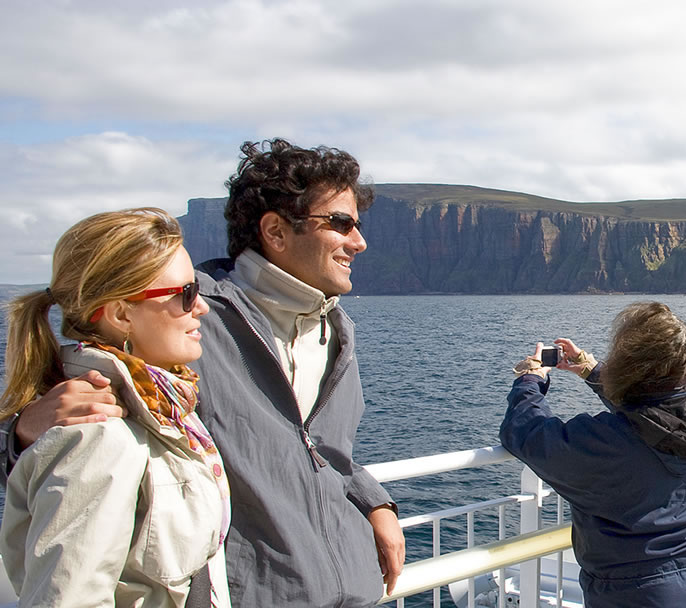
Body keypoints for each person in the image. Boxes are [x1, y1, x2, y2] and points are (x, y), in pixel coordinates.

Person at [1, 140, 405, 607]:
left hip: (355, 591)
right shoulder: (183, 327)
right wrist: (24, 432)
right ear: (275, 230)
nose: (360, 241)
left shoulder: (336, 331)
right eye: (341, 223)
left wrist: (374, 501)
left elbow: (325, 451)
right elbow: (68, 449)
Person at [0, 209, 230, 606]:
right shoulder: (99, 433)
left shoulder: (165, 407)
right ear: (121, 313)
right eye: (186, 294)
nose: (202, 308)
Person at [500, 302, 686, 608]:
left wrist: (530, 379)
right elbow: (653, 413)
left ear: (629, 365)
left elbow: (526, 432)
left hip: (632, 595)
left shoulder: (605, 444)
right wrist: (593, 371)